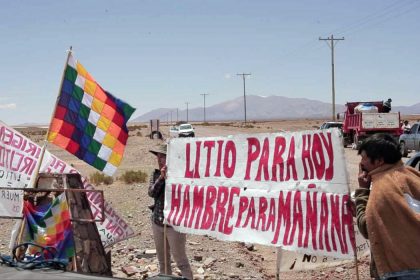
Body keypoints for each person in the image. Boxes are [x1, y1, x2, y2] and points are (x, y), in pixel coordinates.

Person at [355, 133, 420, 279]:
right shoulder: (413, 175)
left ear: (379, 161)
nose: (361, 163)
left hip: (401, 270)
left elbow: (367, 227)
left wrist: (363, 192)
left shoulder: (382, 187)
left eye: (364, 158)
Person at [148, 144, 193, 280]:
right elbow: (152, 193)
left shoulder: (181, 175)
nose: (160, 159)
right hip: (158, 222)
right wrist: (162, 178)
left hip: (175, 226)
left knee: (181, 261)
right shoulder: (155, 174)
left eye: (163, 156)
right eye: (158, 156)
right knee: (163, 261)